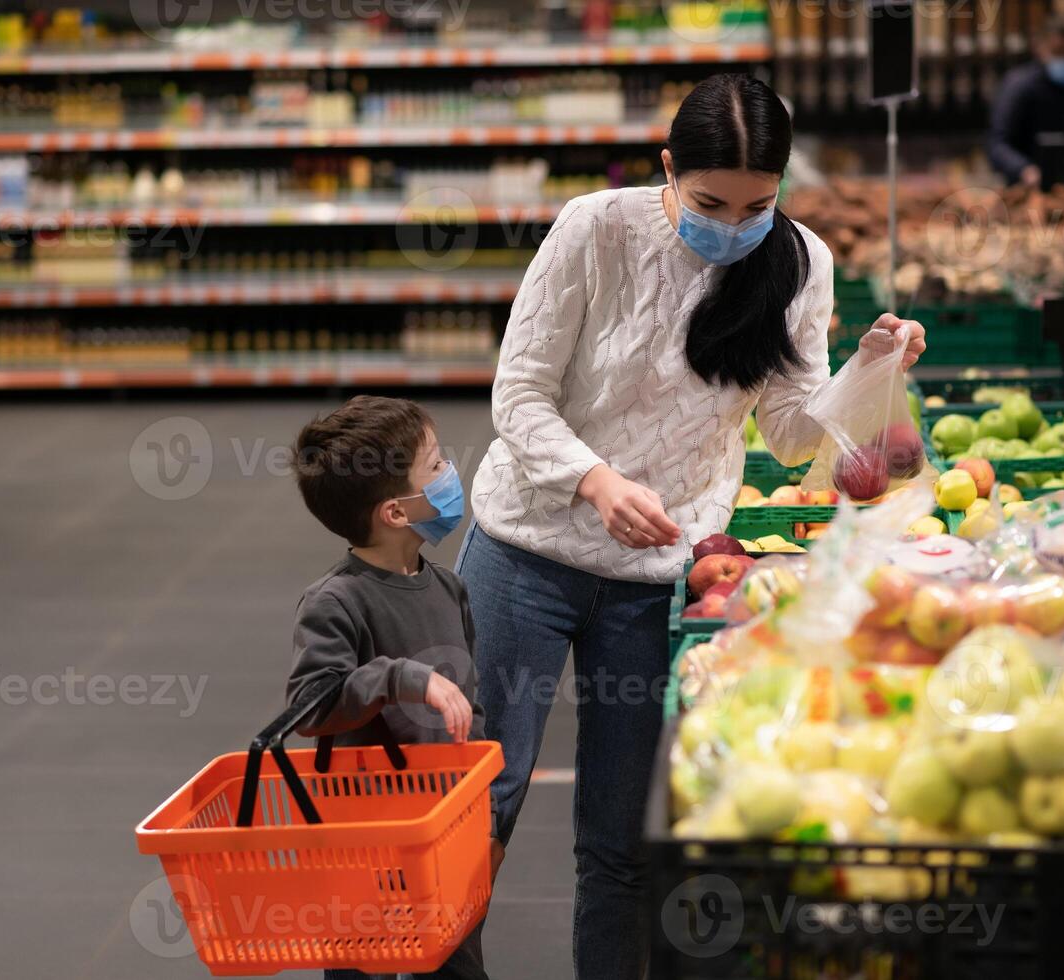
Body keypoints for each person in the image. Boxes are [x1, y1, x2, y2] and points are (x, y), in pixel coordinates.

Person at [457, 73, 925, 980]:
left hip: (665, 573)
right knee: (483, 799)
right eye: (710, 201)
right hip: (527, 548)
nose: (734, 224)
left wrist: (866, 371)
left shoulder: (800, 262)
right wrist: (594, 480)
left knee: (621, 838)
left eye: (759, 204)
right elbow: (518, 394)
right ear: (668, 168)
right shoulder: (595, 230)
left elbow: (790, 436)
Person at [285, 395, 490, 980]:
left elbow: (467, 700)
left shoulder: (448, 589)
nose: (451, 474)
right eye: (436, 466)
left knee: (456, 964)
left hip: (443, 826)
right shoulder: (336, 601)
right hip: (364, 838)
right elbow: (310, 703)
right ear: (396, 513)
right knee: (363, 963)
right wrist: (400, 676)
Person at [987, 15, 1064, 187]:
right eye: (1058, 52)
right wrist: (1024, 170)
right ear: (1040, 48)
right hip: (1025, 188)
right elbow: (998, 145)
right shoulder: (1019, 86)